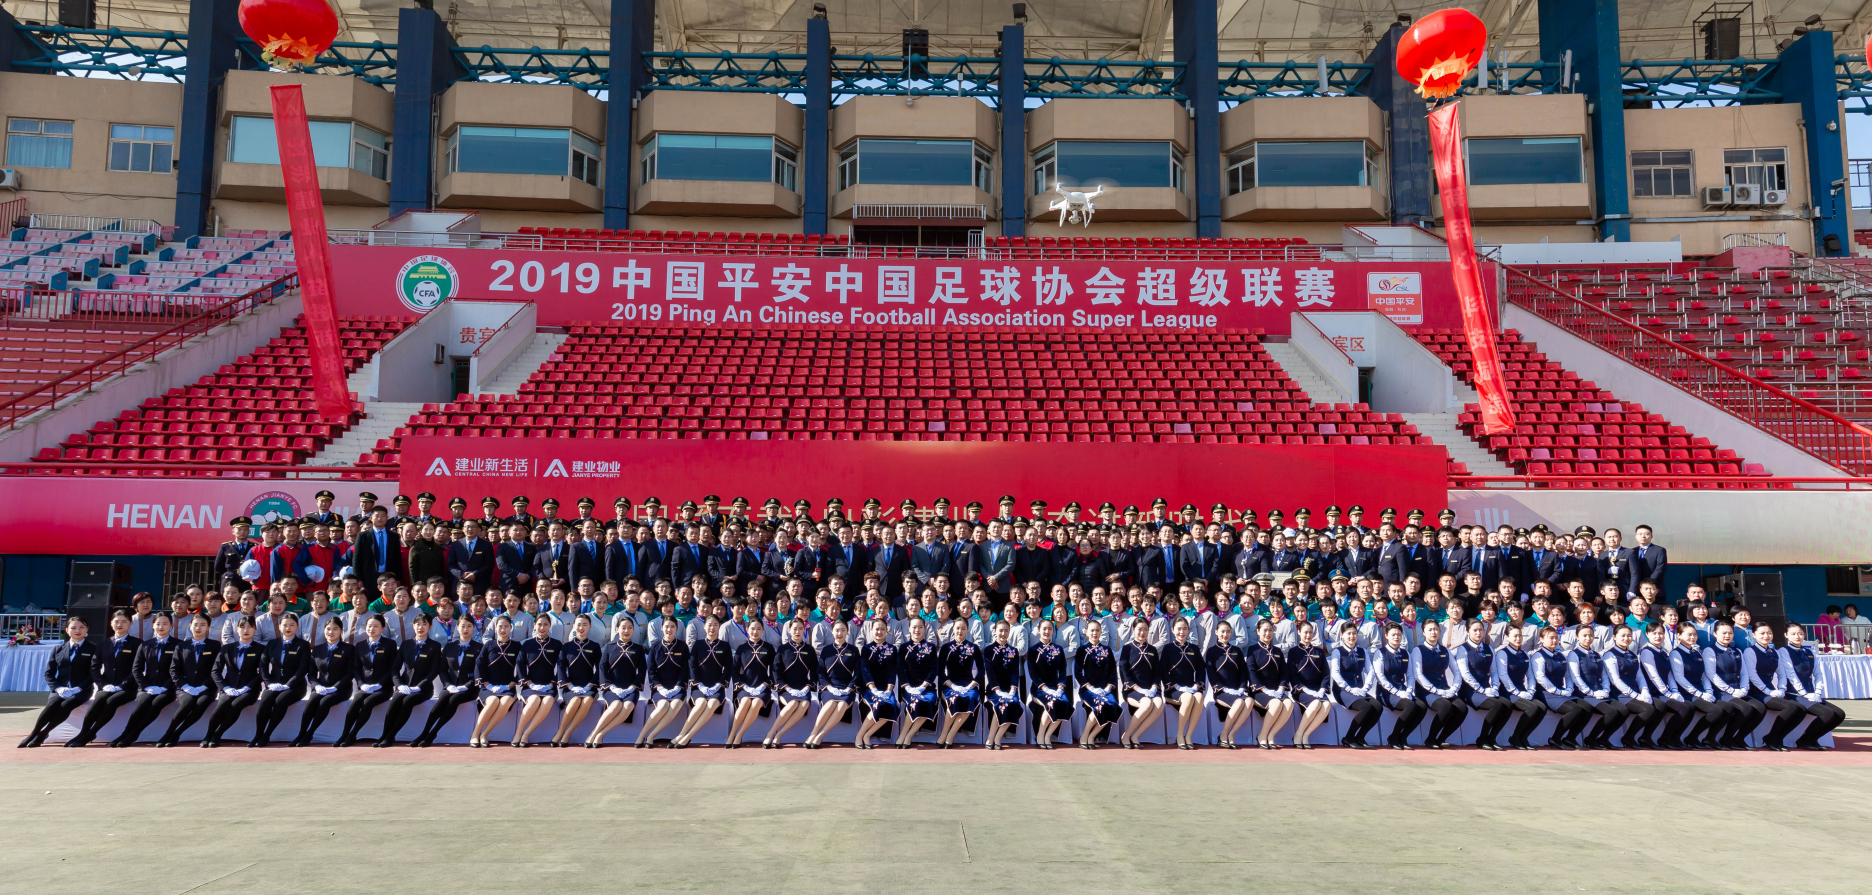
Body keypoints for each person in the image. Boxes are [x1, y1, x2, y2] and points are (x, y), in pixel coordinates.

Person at [66, 611, 140, 748]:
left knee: (112, 701)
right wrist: (103, 684)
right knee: (99, 700)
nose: (120, 624)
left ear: (130, 623)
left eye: (124, 621)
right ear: (111, 623)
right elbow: (94, 667)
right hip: (107, 685)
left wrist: (123, 685)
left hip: (128, 688)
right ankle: (83, 732)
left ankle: (92, 733)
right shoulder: (104, 644)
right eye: (116, 621)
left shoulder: (137, 644)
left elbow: (137, 669)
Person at [21, 617, 97, 748]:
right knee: (53, 704)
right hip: (60, 688)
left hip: (82, 690)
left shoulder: (94, 648)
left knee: (66, 705)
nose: (77, 631)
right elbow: (48, 673)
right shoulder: (58, 648)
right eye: (73, 628)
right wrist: (58, 688)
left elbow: (93, 673)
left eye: (81, 627)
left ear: (87, 629)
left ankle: (44, 733)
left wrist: (78, 688)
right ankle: (34, 733)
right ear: (67, 630)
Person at [1769, 622, 1845, 751]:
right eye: (1793, 634)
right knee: (1826, 713)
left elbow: (1818, 673)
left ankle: (1812, 738)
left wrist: (1818, 692)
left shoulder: (1809, 652)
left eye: (1800, 633)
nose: (1797, 636)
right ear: (1786, 635)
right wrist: (1804, 693)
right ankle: (1805, 739)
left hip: (1812, 694)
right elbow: (1791, 675)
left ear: (1804, 635)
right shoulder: (1784, 651)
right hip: (1795, 694)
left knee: (1839, 714)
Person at [414, 613, 482, 747]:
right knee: (443, 698)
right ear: (457, 627)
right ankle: (424, 733)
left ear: (473, 628)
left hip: (469, 688)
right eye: (462, 626)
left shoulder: (479, 648)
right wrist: (448, 685)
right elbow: (443, 670)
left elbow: (479, 672)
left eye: (469, 626)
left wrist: (466, 685)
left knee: (453, 699)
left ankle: (433, 733)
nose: (465, 629)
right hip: (451, 686)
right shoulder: (449, 647)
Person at [378, 614, 442, 747]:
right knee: (395, 700)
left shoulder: (435, 646)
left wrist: (419, 686)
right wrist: (399, 685)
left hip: (423, 689)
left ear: (430, 627)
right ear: (413, 626)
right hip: (405, 686)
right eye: (418, 624)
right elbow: (395, 668)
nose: (420, 627)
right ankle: (384, 735)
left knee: (407, 701)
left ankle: (390, 736)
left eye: (424, 624)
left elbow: (434, 670)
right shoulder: (406, 644)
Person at [156, 615, 220, 748]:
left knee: (201, 703)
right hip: (185, 687)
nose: (198, 628)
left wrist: (204, 686)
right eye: (195, 624)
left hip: (207, 688)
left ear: (208, 627)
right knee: (188, 703)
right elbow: (174, 669)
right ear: (190, 626)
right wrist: (184, 686)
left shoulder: (215, 645)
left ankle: (177, 733)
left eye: (203, 625)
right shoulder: (181, 646)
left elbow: (216, 669)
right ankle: (168, 733)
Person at [200, 616, 265, 747]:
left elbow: (262, 673)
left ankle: (217, 735)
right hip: (229, 687)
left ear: (255, 629)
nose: (245, 630)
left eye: (249, 627)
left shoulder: (261, 649)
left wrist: (247, 687)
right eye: (242, 627)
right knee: (223, 704)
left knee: (236, 704)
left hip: (249, 689)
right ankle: (208, 734)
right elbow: (215, 671)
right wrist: (225, 688)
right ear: (236, 629)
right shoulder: (227, 648)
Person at [290, 617, 355, 747]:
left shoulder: (349, 649)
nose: (331, 632)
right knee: (312, 701)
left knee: (325, 702)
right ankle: (301, 733)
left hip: (342, 689)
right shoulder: (318, 649)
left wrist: (335, 687)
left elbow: (350, 673)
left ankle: (309, 733)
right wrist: (317, 686)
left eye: (335, 629)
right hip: (322, 686)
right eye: (328, 629)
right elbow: (312, 674)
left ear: (341, 631)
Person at [335, 615, 399, 747]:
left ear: (383, 628)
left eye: (376, 626)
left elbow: (392, 668)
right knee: (355, 702)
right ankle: (344, 734)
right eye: (369, 626)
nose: (372, 629)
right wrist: (361, 684)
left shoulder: (390, 644)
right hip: (365, 686)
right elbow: (356, 668)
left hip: (383, 687)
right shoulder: (360, 645)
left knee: (367, 702)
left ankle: (353, 734)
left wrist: (379, 684)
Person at [1452, 619, 1512, 751]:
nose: (1478, 633)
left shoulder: (1488, 648)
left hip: (1487, 689)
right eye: (1475, 630)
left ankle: (1492, 738)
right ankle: (1482, 738)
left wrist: (1494, 687)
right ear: (1468, 632)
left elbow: (1494, 671)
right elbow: (1465, 674)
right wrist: (1482, 690)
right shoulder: (1463, 649)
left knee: (1507, 705)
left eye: (1481, 630)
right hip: (1470, 691)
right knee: (1497, 705)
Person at [673, 616, 732, 748]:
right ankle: (681, 734)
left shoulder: (725, 646)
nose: (712, 628)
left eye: (715, 624)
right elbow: (692, 665)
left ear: (719, 626)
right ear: (704, 626)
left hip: (717, 687)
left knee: (711, 704)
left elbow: (728, 668)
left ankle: (688, 736)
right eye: (709, 625)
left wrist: (719, 684)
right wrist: (698, 684)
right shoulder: (698, 644)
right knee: (700, 704)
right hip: (699, 686)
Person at [1563, 624, 1624, 750]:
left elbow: (1604, 674)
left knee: (1623, 711)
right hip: (1584, 694)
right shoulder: (1574, 654)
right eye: (1584, 635)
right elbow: (1576, 677)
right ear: (1577, 637)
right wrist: (1590, 692)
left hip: (1600, 692)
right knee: (1611, 712)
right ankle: (1588, 738)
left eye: (1590, 635)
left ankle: (1604, 738)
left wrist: (1606, 690)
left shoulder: (1597, 654)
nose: (1588, 638)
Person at [1636, 622, 1695, 750]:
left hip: (1663, 692)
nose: (1658, 636)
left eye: (1661, 633)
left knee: (1690, 707)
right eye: (1654, 633)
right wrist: (1667, 693)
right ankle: (1658, 738)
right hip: (1653, 692)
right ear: (1647, 634)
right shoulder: (1647, 652)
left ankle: (1675, 738)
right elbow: (1653, 676)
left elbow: (1669, 674)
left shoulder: (1663, 652)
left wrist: (1675, 691)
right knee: (1682, 709)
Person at [1486, 624, 1545, 750]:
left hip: (1522, 690)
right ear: (1507, 637)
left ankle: (1523, 737)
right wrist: (1517, 692)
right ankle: (1515, 737)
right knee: (1532, 708)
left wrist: (1531, 690)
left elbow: (1530, 675)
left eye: (1520, 636)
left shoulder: (1524, 654)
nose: (1518, 638)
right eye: (1515, 636)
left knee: (1542, 708)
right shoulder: (1502, 653)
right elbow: (1503, 675)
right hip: (1507, 691)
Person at [1669, 623, 1727, 750]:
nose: (1692, 637)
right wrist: (1699, 694)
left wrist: (1709, 691)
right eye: (1689, 634)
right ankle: (1691, 737)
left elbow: (1704, 675)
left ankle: (1709, 738)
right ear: (1679, 635)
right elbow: (1679, 678)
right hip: (1686, 692)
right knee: (1715, 710)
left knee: (1727, 707)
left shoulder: (1696, 653)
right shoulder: (1676, 653)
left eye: (1694, 634)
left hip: (1701, 691)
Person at [1703, 620, 1760, 750]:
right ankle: (1720, 738)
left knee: (1759, 709)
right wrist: (1730, 690)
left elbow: (1744, 672)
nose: (1727, 635)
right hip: (1720, 692)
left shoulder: (1737, 651)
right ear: (1715, 634)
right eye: (1723, 633)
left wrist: (1744, 688)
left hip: (1738, 690)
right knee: (1745, 708)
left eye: (1730, 633)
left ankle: (1739, 738)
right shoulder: (1710, 651)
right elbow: (1711, 674)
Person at [806, 620, 860, 749]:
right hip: (829, 688)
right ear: (832, 631)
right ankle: (813, 733)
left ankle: (821, 735)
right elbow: (820, 672)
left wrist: (849, 688)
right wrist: (829, 687)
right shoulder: (826, 650)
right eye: (837, 630)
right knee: (830, 703)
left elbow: (858, 673)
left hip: (847, 689)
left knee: (841, 705)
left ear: (847, 632)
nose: (839, 633)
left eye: (843, 630)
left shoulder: (853, 650)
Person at [550, 615, 603, 747]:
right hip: (571, 687)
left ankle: (567, 734)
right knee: (575, 700)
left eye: (585, 624)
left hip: (589, 687)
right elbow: (561, 667)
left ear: (590, 627)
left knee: (587, 700)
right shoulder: (566, 646)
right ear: (573, 626)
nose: (581, 627)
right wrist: (569, 685)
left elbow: (600, 669)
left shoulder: (595, 646)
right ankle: (560, 732)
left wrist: (590, 685)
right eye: (578, 624)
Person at [470, 616, 522, 748]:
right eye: (500, 626)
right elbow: (479, 664)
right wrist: (487, 685)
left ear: (511, 628)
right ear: (495, 628)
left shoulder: (516, 646)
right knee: (493, 701)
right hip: (488, 686)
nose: (503, 629)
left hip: (508, 687)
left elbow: (521, 667)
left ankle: (484, 734)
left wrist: (510, 685)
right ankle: (475, 734)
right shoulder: (489, 644)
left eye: (506, 626)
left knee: (505, 701)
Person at [639, 618, 690, 747]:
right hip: (660, 687)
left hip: (678, 687)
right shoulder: (655, 646)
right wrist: (659, 687)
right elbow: (651, 670)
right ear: (661, 628)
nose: (669, 629)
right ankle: (641, 735)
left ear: (677, 628)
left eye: (672, 626)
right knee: (663, 706)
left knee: (675, 705)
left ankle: (651, 736)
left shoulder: (682, 646)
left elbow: (685, 669)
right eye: (666, 626)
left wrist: (678, 686)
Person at [1245, 619, 1295, 750]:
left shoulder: (1277, 651)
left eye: (1270, 630)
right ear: (1258, 631)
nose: (1268, 633)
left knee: (1289, 704)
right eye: (1265, 630)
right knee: (1276, 703)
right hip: (1259, 691)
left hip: (1276, 689)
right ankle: (1262, 735)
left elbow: (1284, 671)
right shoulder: (1252, 650)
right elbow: (1251, 672)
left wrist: (1281, 688)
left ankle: (1271, 735)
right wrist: (1263, 689)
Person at [1372, 622, 1423, 750]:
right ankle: (1393, 737)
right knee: (1410, 705)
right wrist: (1397, 692)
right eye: (1393, 634)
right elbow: (1380, 677)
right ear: (1386, 636)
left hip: (1403, 690)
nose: (1396, 637)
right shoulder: (1380, 653)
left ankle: (1403, 737)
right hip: (1386, 693)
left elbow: (1410, 675)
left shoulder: (1405, 653)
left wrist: (1409, 690)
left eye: (1399, 634)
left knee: (1422, 707)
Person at [725, 619, 774, 748]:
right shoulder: (742, 648)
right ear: (747, 630)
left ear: (763, 631)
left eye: (758, 629)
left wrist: (765, 685)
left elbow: (774, 671)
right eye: (752, 629)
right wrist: (743, 685)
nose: (755, 632)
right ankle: (732, 734)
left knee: (756, 702)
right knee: (745, 701)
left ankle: (739, 735)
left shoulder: (769, 648)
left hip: (763, 688)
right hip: (745, 687)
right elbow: (734, 670)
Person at [853, 619, 900, 750]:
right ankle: (859, 735)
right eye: (877, 629)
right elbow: (865, 670)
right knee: (878, 704)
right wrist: (873, 689)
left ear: (887, 631)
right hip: (869, 688)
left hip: (886, 688)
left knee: (892, 706)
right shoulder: (866, 649)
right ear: (871, 630)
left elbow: (892, 671)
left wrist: (889, 690)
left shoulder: (892, 648)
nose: (879, 632)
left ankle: (867, 734)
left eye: (882, 629)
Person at [1329, 623, 1378, 748]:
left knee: (1378, 707)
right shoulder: (1338, 652)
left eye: (1354, 633)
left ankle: (1360, 737)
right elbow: (1335, 673)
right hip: (1342, 690)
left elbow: (1371, 671)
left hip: (1359, 690)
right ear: (1342, 635)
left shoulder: (1362, 651)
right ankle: (1348, 737)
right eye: (1348, 633)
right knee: (1366, 707)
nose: (1352, 636)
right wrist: (1349, 689)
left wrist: (1365, 688)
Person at [1027, 619, 1073, 750]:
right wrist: (1045, 688)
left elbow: (1063, 670)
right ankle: (1040, 735)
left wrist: (1060, 687)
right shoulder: (1033, 650)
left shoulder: (1058, 649)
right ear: (1038, 631)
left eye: (1050, 629)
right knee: (1051, 702)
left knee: (1064, 703)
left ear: (1053, 631)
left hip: (1056, 687)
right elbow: (1033, 673)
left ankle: (1048, 735)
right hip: (1039, 689)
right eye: (1044, 629)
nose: (1047, 631)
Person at [1073, 620, 1119, 749]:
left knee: (1112, 705)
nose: (1095, 633)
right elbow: (1078, 672)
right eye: (1092, 630)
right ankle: (1084, 736)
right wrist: (1090, 687)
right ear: (1086, 632)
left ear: (1101, 632)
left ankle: (1091, 736)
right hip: (1088, 690)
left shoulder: (1107, 650)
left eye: (1097, 630)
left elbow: (1112, 671)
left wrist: (1108, 688)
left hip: (1105, 689)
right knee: (1100, 705)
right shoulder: (1082, 650)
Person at [896, 618, 941, 748]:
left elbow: (933, 669)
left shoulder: (931, 647)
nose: (917, 630)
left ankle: (908, 735)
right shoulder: (904, 647)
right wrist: (907, 686)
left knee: (928, 701)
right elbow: (901, 669)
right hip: (908, 687)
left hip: (926, 688)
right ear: (909, 629)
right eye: (914, 627)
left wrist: (924, 685)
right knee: (915, 702)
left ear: (925, 629)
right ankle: (902, 735)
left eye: (920, 627)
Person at [1119, 618, 1163, 749]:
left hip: (1150, 689)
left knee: (1159, 704)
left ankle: (1136, 736)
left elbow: (1157, 672)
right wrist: (1138, 689)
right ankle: (1126, 735)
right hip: (1132, 690)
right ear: (1133, 630)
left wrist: (1154, 687)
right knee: (1147, 703)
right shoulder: (1127, 648)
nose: (1142, 633)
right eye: (1139, 629)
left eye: (1145, 629)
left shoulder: (1153, 650)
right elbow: (1124, 671)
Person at [1285, 622, 1331, 749]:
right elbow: (1292, 674)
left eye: (1310, 632)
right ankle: (1298, 734)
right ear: (1299, 632)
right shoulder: (1293, 652)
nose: (1308, 635)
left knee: (1327, 705)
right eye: (1305, 632)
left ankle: (1306, 734)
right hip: (1300, 690)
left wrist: (1322, 689)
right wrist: (1304, 689)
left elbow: (1326, 673)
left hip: (1317, 689)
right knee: (1315, 703)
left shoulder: (1319, 651)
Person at [1206, 621, 1250, 749]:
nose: (1225, 634)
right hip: (1221, 692)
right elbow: (1211, 674)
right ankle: (1224, 733)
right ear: (1216, 632)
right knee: (1240, 702)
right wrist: (1223, 689)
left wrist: (1242, 687)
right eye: (1222, 631)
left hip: (1237, 691)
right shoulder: (1211, 651)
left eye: (1228, 632)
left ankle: (1231, 734)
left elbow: (1243, 671)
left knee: (1249, 701)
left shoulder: (1237, 650)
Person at [983, 619, 1025, 750]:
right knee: (1001, 702)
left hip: (1010, 689)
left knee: (1013, 703)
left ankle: (997, 737)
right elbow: (989, 672)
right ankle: (990, 737)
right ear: (995, 631)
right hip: (994, 690)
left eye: (1006, 631)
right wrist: (997, 690)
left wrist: (1013, 689)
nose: (1003, 633)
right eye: (1000, 630)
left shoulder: (1013, 650)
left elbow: (1015, 671)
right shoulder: (989, 650)